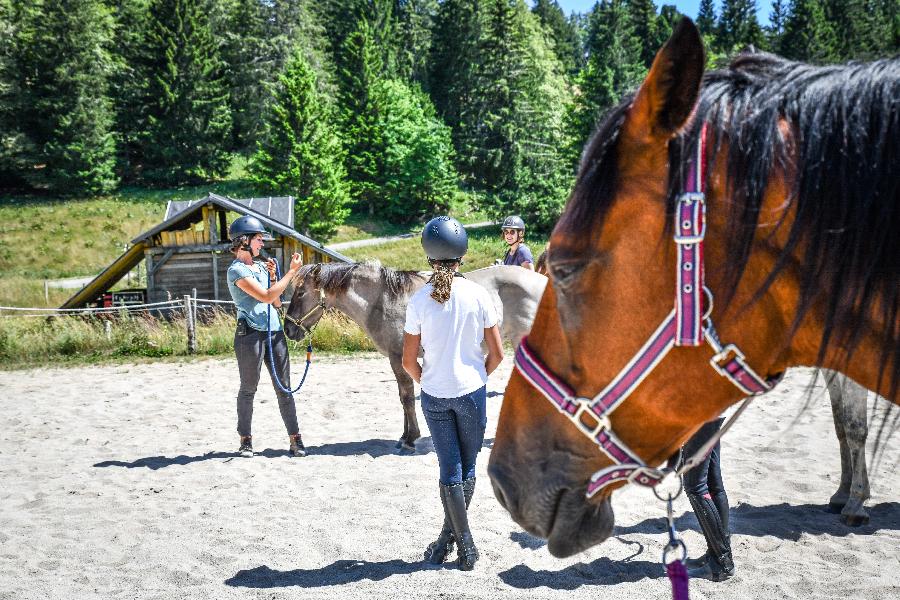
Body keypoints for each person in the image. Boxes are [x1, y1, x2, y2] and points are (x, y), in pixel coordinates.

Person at [402, 216, 504, 571]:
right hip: (471, 392)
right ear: (462, 255)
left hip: (434, 395)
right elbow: (498, 354)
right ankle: (466, 546)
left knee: (450, 469)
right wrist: (476, 376)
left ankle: (452, 542)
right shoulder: (479, 294)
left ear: (429, 257)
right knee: (469, 466)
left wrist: (428, 381)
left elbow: (407, 360)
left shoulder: (418, 300)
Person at [226, 215, 306, 459]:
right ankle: (246, 439)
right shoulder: (236, 270)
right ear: (244, 241)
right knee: (249, 388)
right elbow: (264, 296)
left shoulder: (261, 267)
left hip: (274, 332)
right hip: (249, 334)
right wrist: (291, 273)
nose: (262, 244)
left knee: (285, 389)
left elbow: (276, 301)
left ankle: (295, 439)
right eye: (258, 239)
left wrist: (273, 277)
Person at [681, 417, 735, 581]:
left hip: (701, 411)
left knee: (695, 487)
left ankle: (721, 563)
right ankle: (714, 555)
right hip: (714, 408)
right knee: (712, 483)